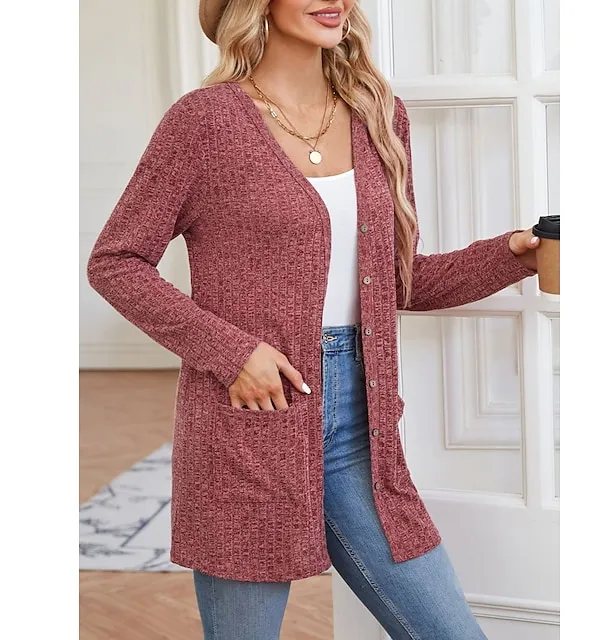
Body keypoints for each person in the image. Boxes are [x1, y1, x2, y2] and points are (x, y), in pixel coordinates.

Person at [86, 1, 540, 638]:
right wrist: (232, 352)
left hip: (361, 426)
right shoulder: (205, 122)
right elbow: (116, 262)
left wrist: (513, 254)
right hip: (250, 423)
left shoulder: (379, 117)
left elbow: (396, 283)